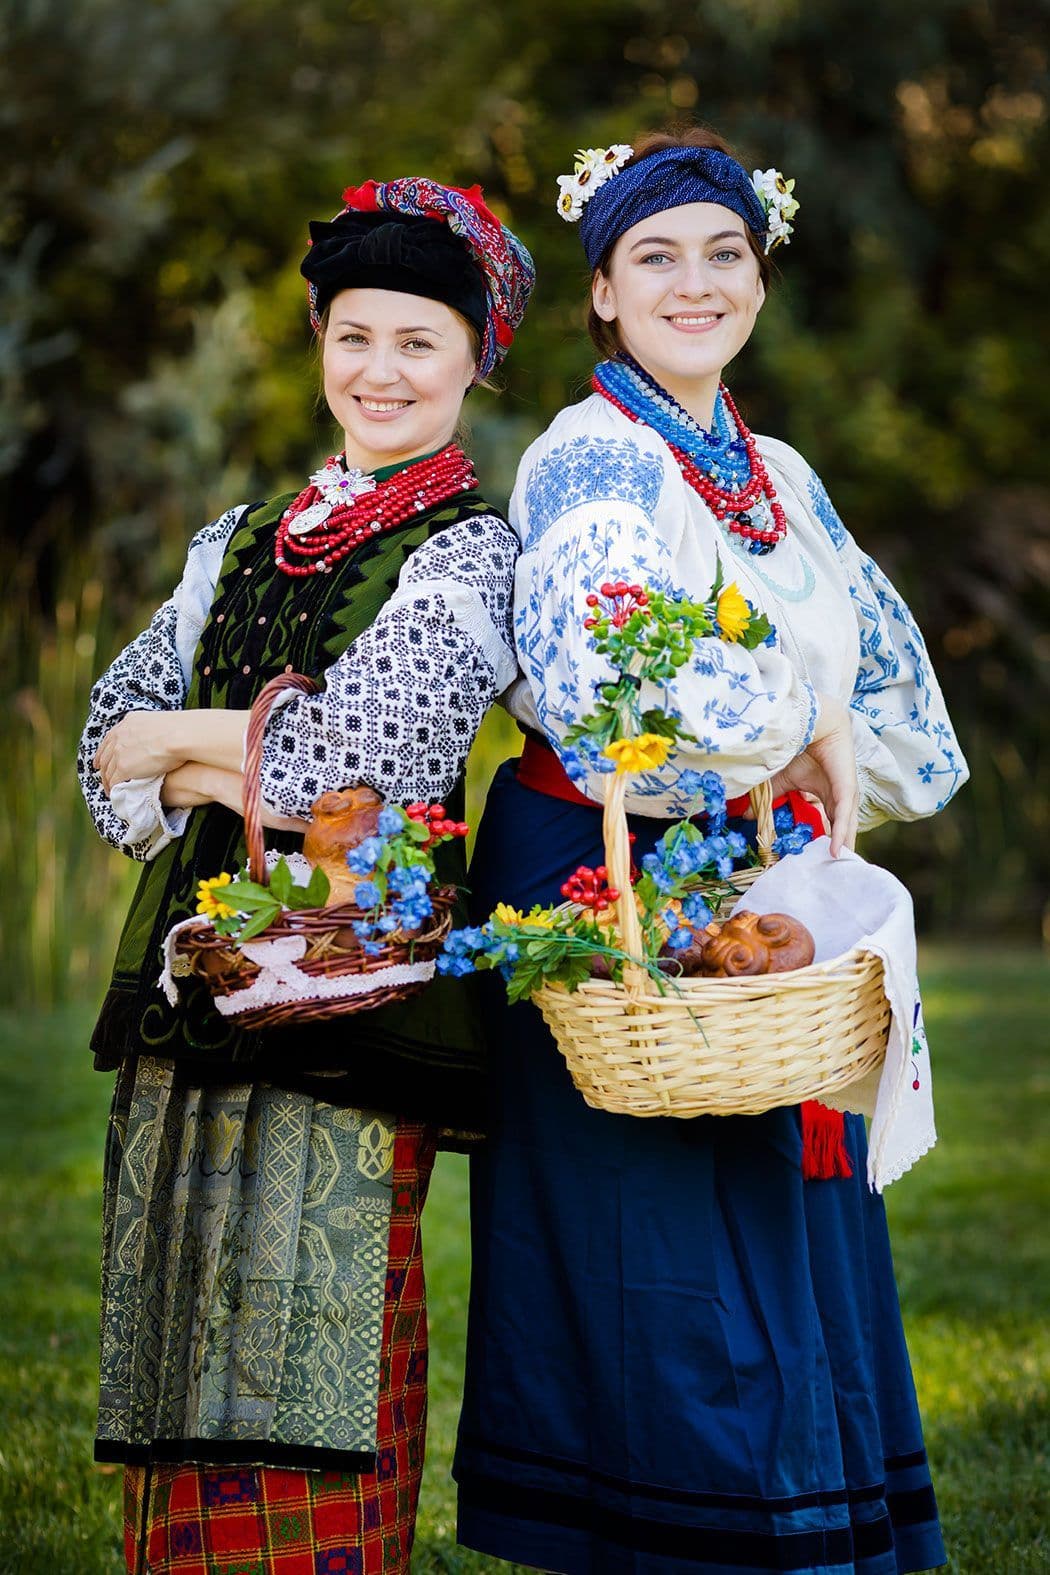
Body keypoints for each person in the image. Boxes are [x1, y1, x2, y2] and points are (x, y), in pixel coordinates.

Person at [453, 127, 965, 1574]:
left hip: (757, 878)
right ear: (602, 292)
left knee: (779, 1236)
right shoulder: (588, 457)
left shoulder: (778, 470)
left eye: (722, 254)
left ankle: (805, 1527)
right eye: (654, 258)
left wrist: (819, 752)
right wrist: (789, 724)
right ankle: (689, 1540)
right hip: (606, 861)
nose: (695, 283)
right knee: (662, 1255)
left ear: (758, 275)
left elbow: (894, 692)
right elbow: (610, 675)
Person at [77, 176, 533, 1575]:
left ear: (472, 359)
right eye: (353, 336)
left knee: (316, 1340)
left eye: (417, 341)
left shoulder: (469, 554)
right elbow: (105, 751)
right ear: (321, 345)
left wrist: (189, 748)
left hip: (347, 994)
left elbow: (367, 773)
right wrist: (233, 751)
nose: (379, 371)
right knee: (190, 1315)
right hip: (194, 982)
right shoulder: (237, 538)